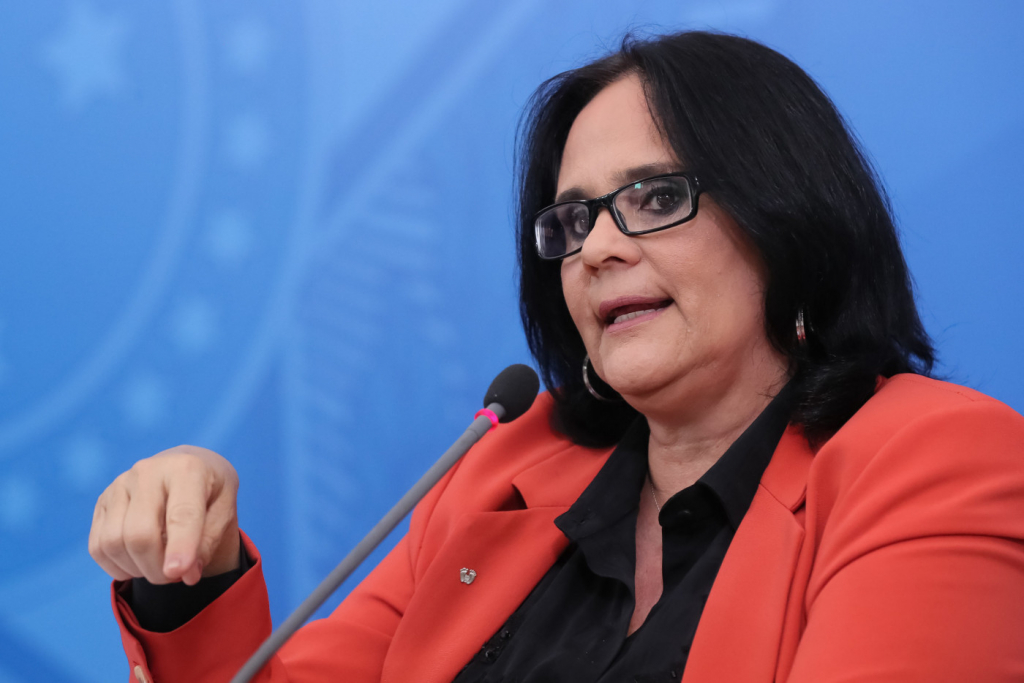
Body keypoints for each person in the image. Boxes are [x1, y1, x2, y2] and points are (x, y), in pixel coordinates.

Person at [89, 31, 1024, 683]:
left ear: (788, 221)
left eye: (654, 198)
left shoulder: (939, 462)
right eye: (573, 219)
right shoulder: (498, 475)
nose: (598, 247)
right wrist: (190, 575)